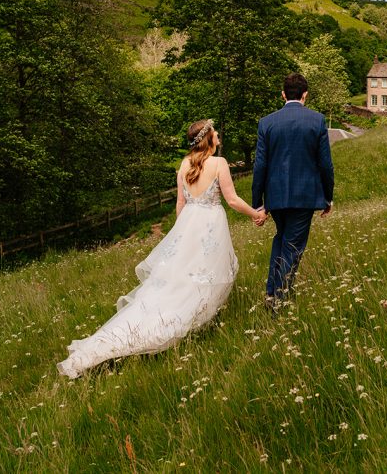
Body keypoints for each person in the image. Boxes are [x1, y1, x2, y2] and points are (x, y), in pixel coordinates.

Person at [58, 119, 264, 379]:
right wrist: (255, 213)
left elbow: (180, 203)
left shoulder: (184, 164)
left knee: (181, 280)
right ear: (207, 138)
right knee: (206, 276)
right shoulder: (219, 164)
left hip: (189, 224)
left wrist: (180, 235)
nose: (219, 136)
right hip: (210, 225)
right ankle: (189, 323)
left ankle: (129, 337)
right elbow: (232, 200)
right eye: (216, 134)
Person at [252, 73, 334, 311]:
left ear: (283, 94)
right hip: (304, 196)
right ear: (305, 94)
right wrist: (327, 197)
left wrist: (258, 203)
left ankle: (271, 294)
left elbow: (260, 166)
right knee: (292, 247)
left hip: (275, 198)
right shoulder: (317, 121)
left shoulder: (266, 122)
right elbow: (325, 165)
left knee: (282, 240)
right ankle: (279, 300)